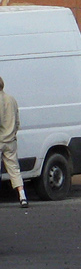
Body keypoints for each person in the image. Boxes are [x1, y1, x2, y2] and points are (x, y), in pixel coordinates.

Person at [0, 75, 27, 207]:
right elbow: (17, 121)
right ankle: (22, 197)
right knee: (14, 170)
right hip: (10, 140)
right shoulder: (12, 99)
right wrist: (13, 133)